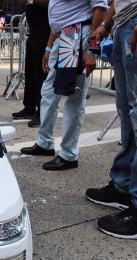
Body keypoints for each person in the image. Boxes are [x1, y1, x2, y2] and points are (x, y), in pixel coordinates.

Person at [20, 0, 107, 171]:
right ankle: (45, 142)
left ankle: (68, 154)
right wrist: (48, 47)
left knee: (75, 97)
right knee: (48, 92)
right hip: (64, 35)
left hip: (77, 34)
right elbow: (57, 14)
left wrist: (92, 49)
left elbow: (100, 7)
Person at [86, 0, 137, 239]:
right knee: (127, 111)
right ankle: (123, 186)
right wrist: (107, 24)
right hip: (123, 23)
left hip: (133, 21)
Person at [12, 0, 50, 128]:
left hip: (44, 29)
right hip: (34, 30)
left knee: (40, 73)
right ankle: (29, 106)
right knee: (29, 71)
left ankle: (42, 111)